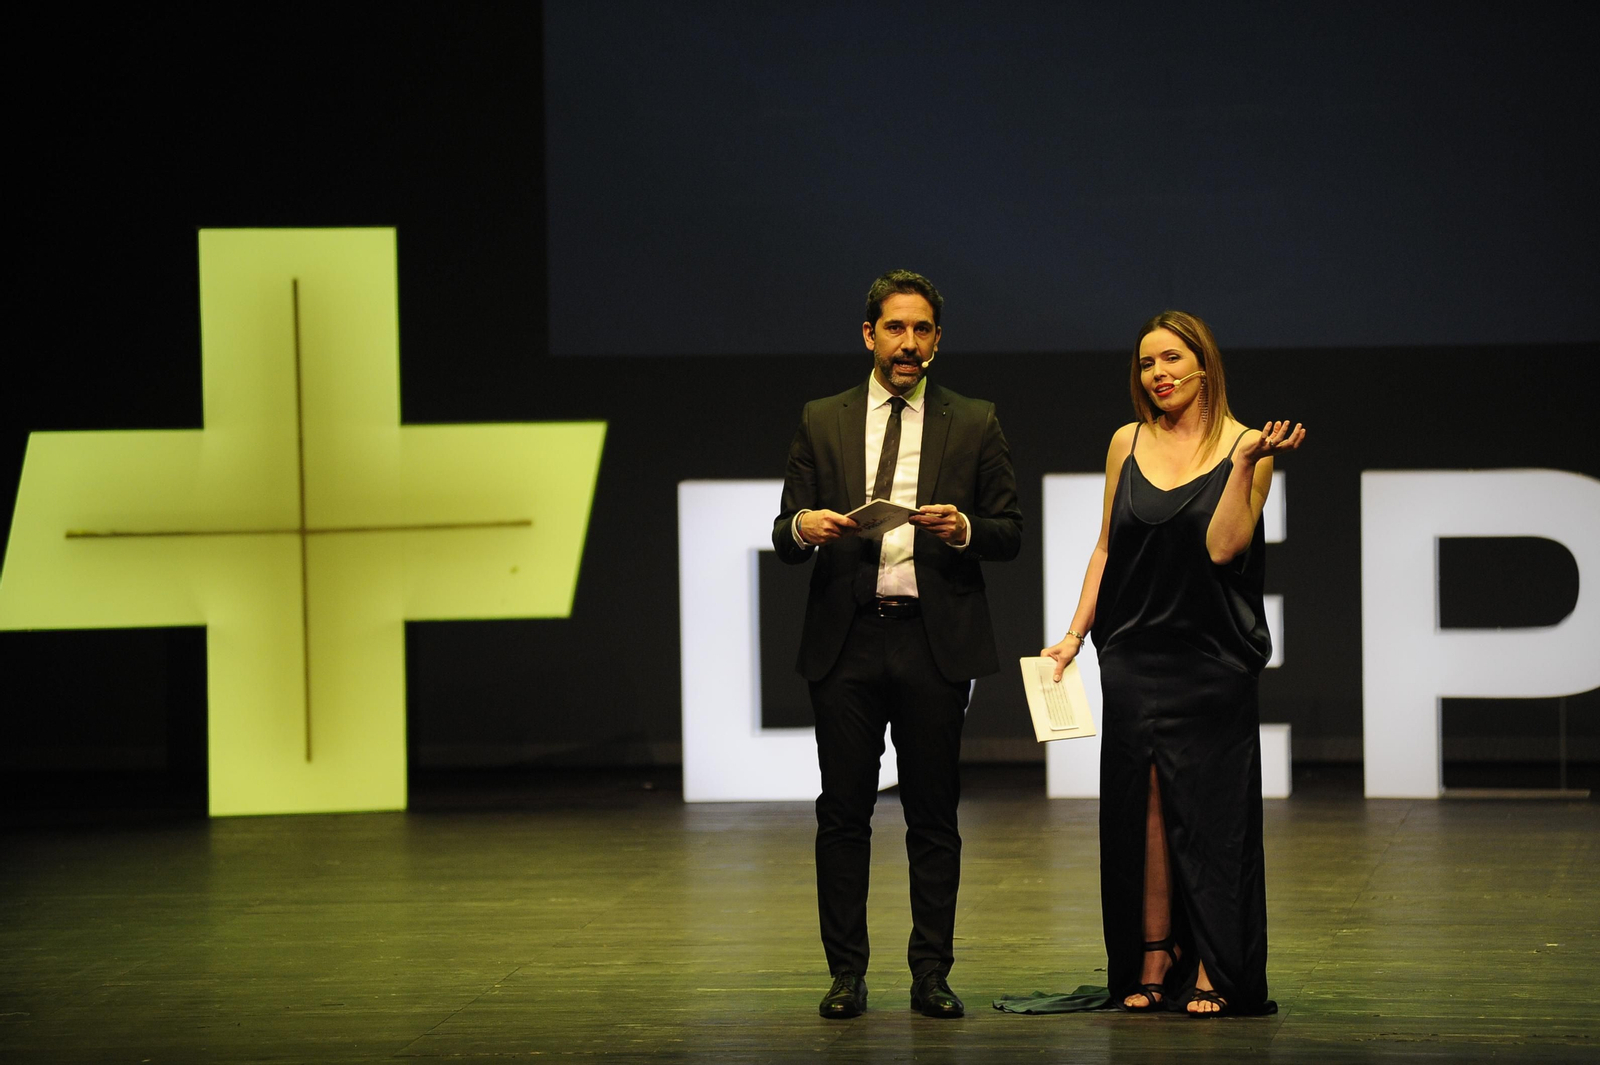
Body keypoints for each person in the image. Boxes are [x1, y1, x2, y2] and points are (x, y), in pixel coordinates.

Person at [772, 270, 1022, 1020]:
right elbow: (783, 531)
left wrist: (964, 528)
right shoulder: (823, 418)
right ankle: (847, 974)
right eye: (894, 328)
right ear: (868, 335)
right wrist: (803, 527)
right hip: (846, 643)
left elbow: (1009, 531)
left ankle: (931, 974)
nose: (907, 342)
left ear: (937, 340)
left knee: (932, 814)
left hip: (931, 642)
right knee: (842, 813)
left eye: (921, 330)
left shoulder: (974, 421)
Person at [1042, 311, 1304, 1017]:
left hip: (1212, 658)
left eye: (1171, 358)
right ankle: (1154, 954)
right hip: (1131, 652)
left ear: (1204, 365)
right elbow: (1106, 546)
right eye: (1147, 362)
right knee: (1145, 810)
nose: (1157, 373)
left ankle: (1218, 966)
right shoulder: (1126, 441)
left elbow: (1225, 548)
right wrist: (1073, 635)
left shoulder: (1248, 445)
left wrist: (1245, 465)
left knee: (1213, 816)